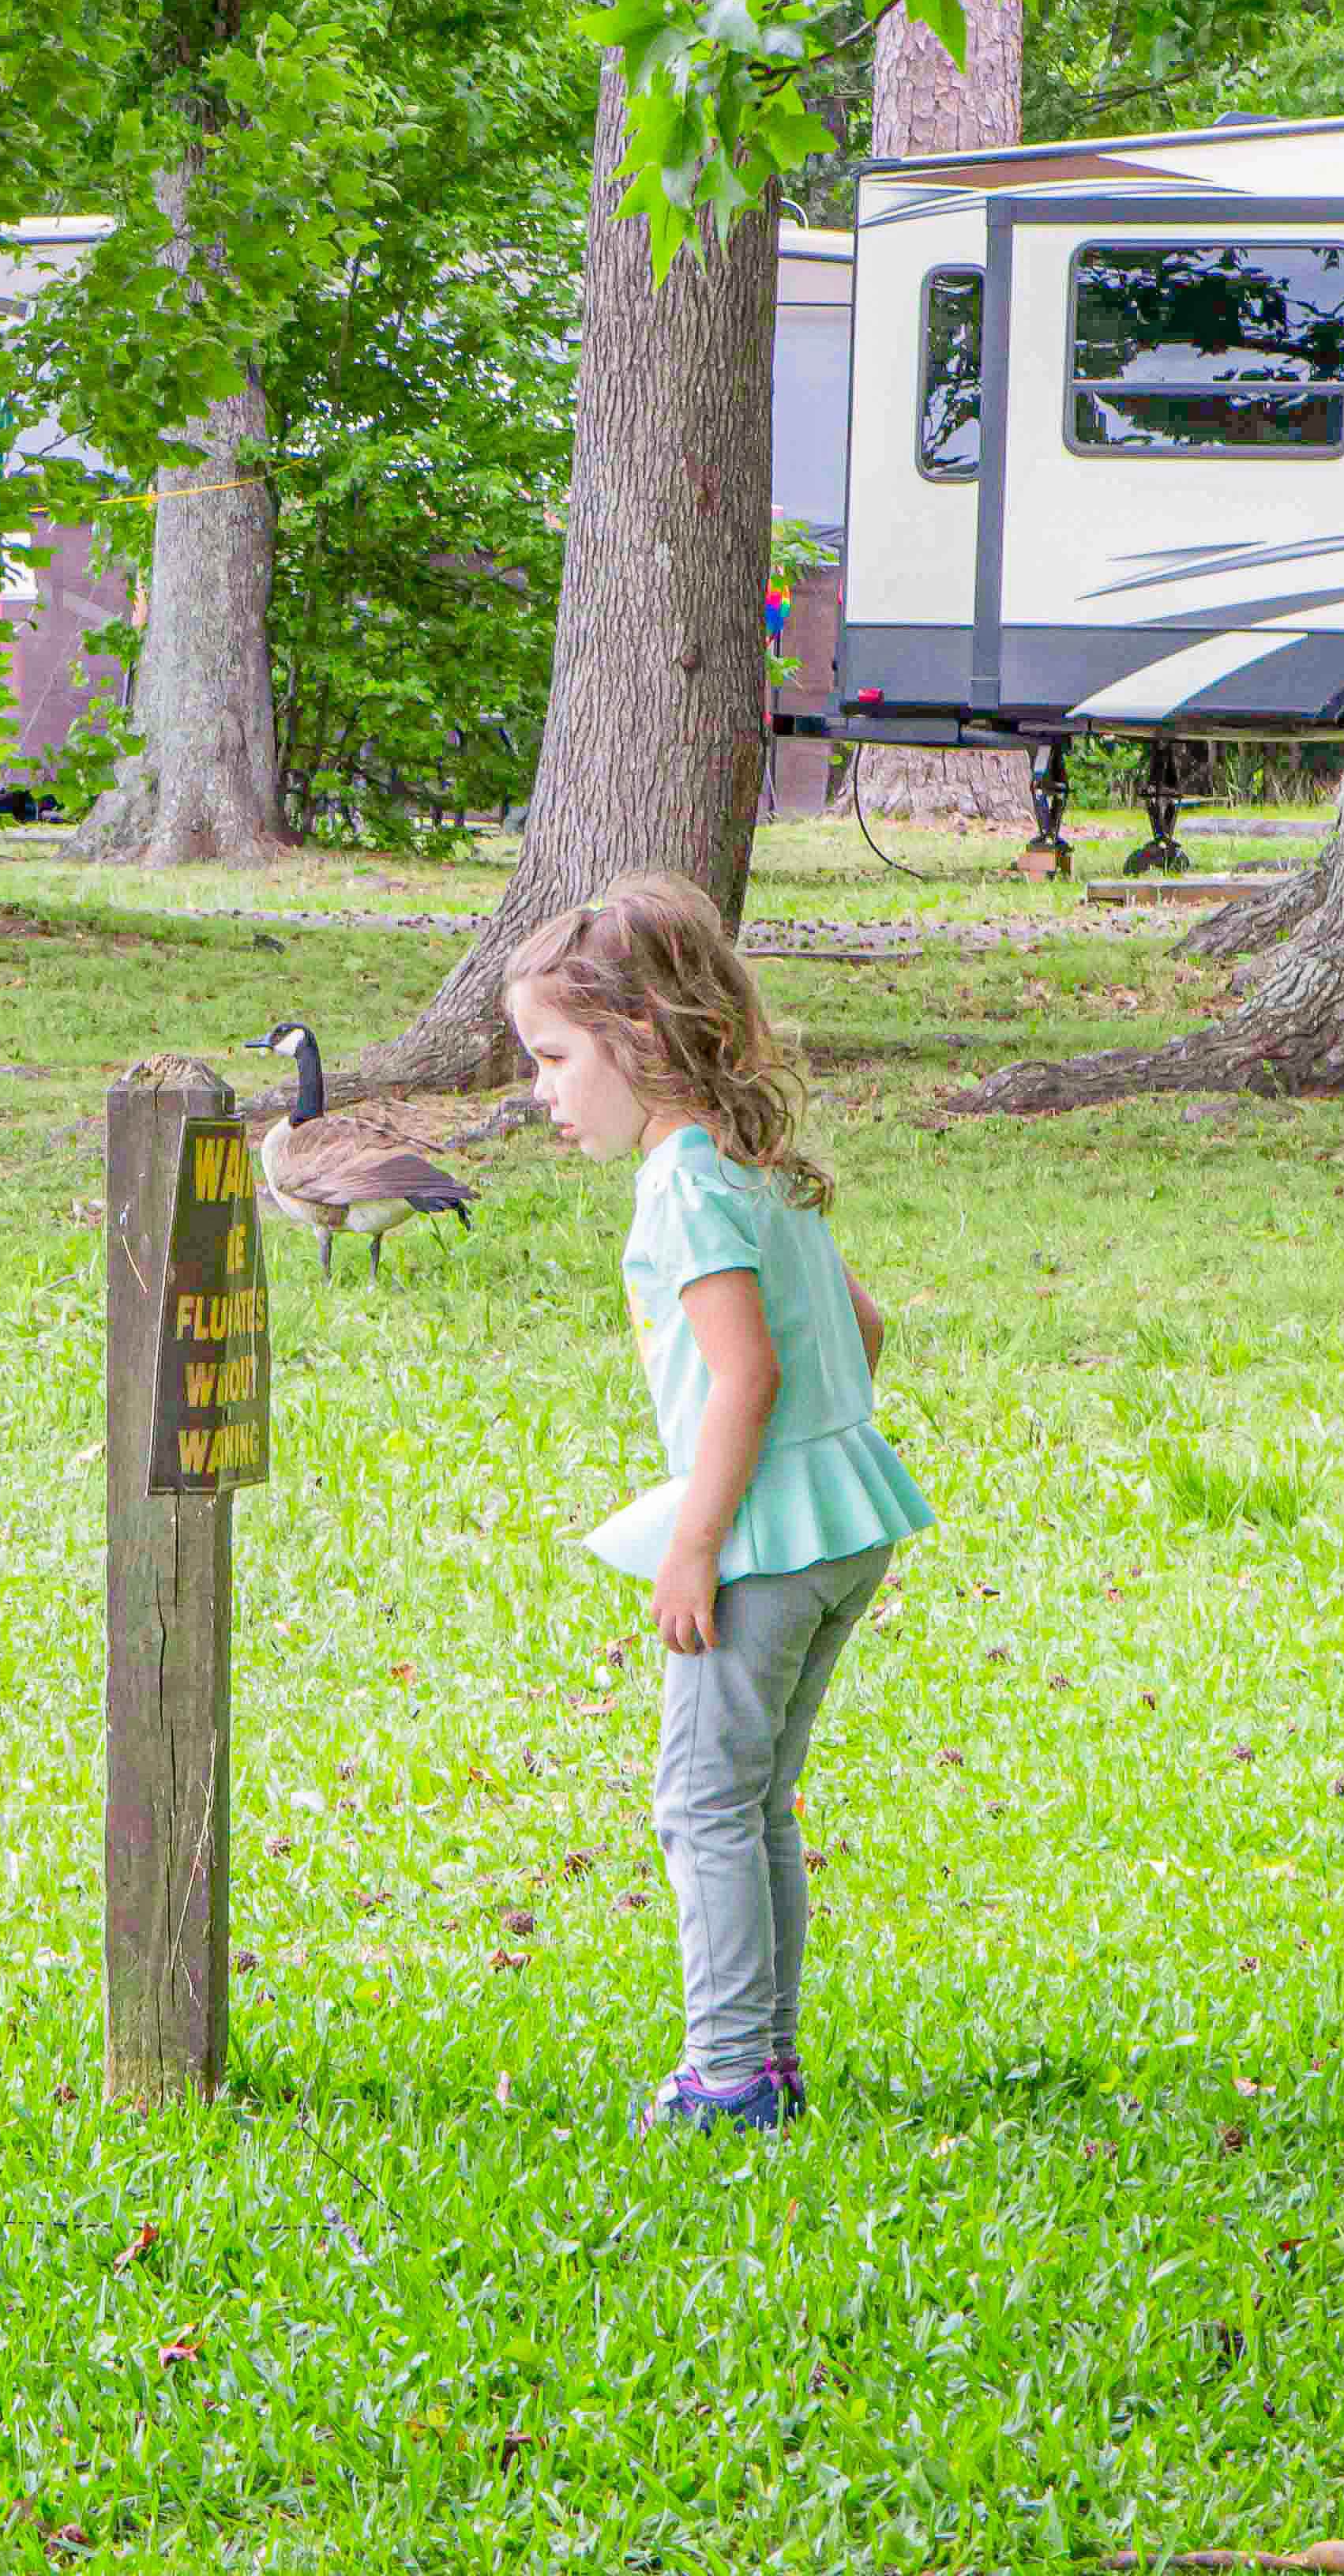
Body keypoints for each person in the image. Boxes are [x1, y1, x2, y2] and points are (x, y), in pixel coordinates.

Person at [505, 874, 933, 2134]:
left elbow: (747, 1373)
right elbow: (860, 1327)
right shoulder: (762, 1165)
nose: (542, 1091)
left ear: (639, 1040)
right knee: (753, 1800)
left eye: (555, 1057)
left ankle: (730, 2077)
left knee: (701, 1801)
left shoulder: (683, 1186)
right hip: (845, 1522)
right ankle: (768, 2059)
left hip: (757, 1544)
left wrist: (694, 1550)